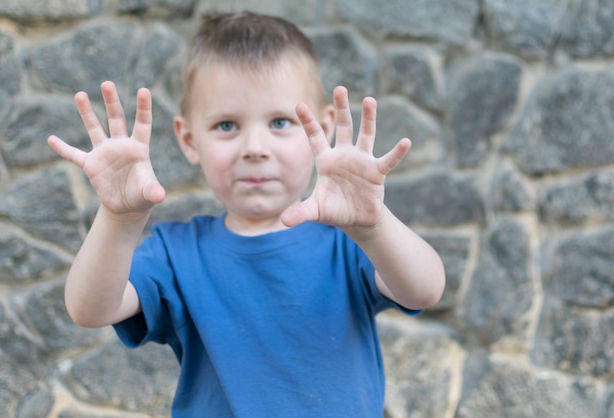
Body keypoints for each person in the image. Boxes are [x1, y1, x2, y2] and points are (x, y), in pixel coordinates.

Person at [47, 11, 445, 418]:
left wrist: (375, 225)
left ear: (322, 129)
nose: (255, 147)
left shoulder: (348, 241)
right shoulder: (176, 254)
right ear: (188, 139)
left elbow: (425, 289)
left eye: (280, 121)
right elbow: (89, 309)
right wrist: (118, 220)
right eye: (226, 125)